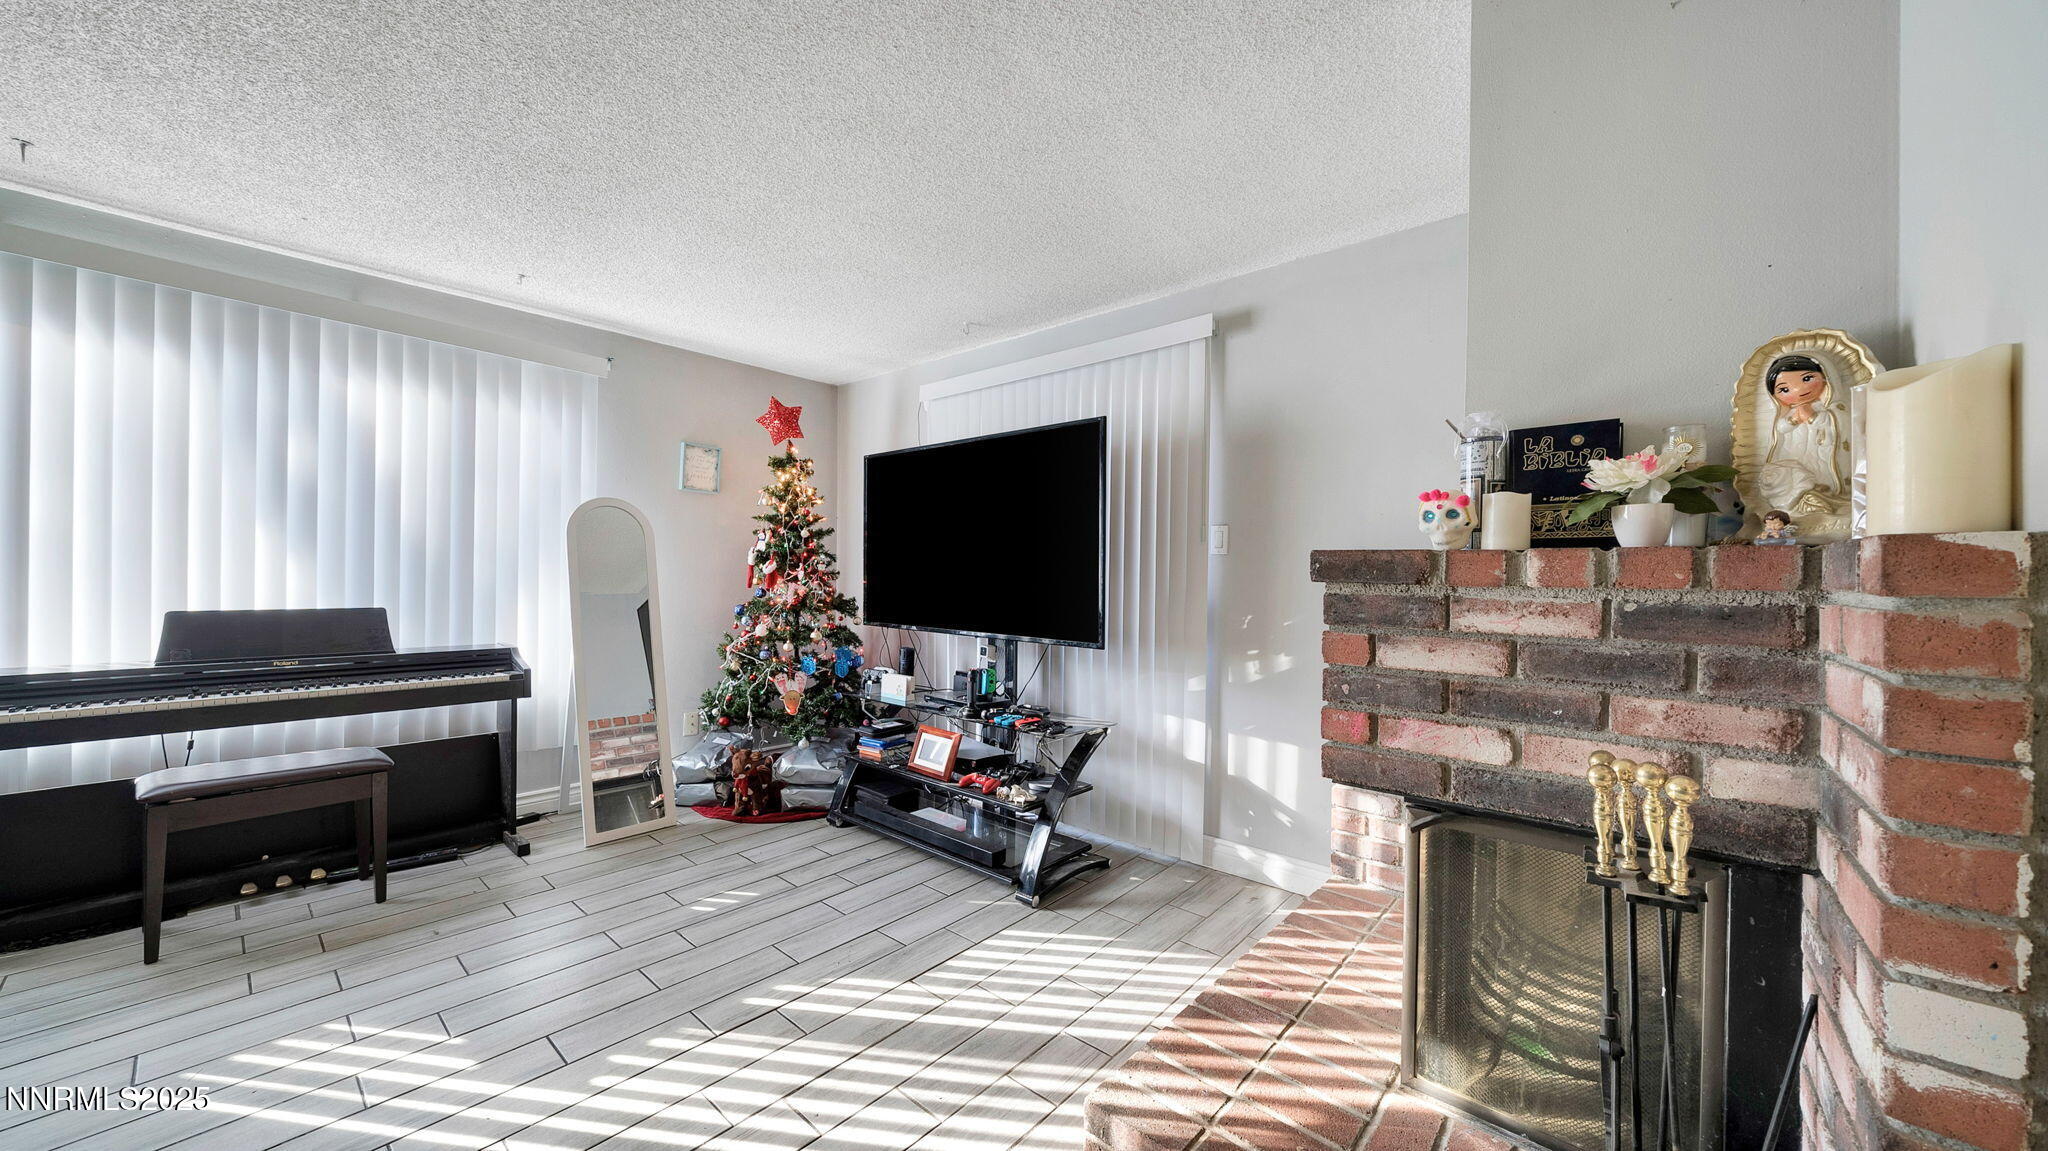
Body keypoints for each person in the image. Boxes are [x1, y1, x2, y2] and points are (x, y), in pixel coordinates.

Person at [1756, 354, 1848, 535]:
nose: (1798, 390)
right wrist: (1794, 420)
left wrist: (1812, 417)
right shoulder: (1788, 413)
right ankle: (1802, 504)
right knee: (1801, 479)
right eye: (1784, 389)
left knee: (1822, 477)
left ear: (1825, 378)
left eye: (1807, 379)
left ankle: (1825, 501)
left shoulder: (1830, 409)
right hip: (1800, 453)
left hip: (1822, 454)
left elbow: (1837, 426)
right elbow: (1781, 428)